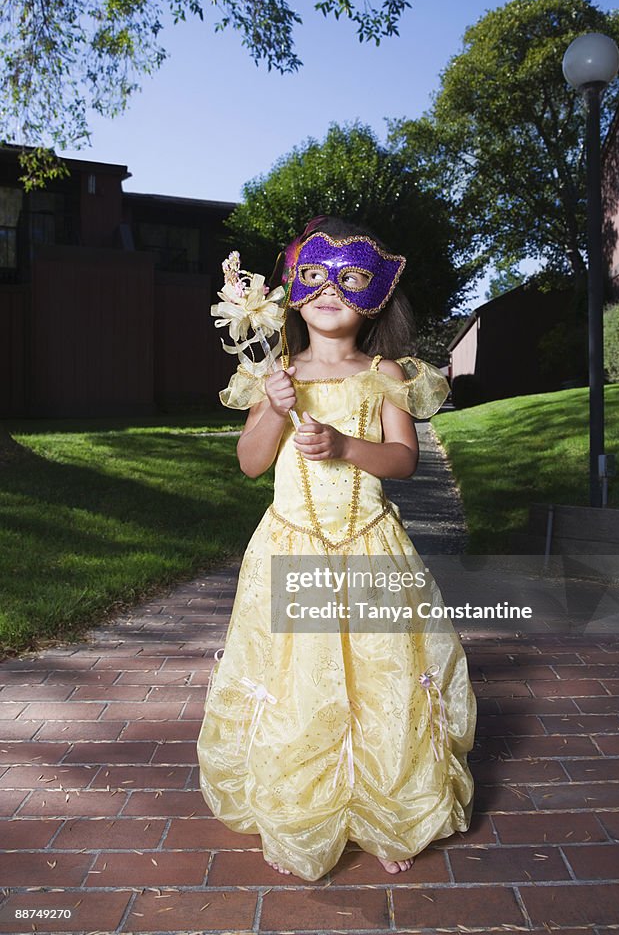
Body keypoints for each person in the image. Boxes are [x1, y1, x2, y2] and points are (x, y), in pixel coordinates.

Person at [197, 216, 477, 881]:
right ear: (293, 291)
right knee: (300, 679)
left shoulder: (384, 374)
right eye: (316, 278)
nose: (331, 293)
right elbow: (250, 463)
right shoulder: (278, 372)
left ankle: (389, 807)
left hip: (368, 546)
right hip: (290, 545)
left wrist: (345, 446)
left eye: (350, 281)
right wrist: (270, 407)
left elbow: (404, 461)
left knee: (381, 675)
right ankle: (303, 802)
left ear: (375, 296)